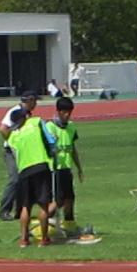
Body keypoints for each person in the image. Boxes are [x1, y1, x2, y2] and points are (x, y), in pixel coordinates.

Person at [47, 95, 98, 243]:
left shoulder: (71, 127)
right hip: (54, 170)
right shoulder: (50, 127)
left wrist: (79, 168)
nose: (67, 115)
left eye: (69, 112)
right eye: (64, 112)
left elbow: (73, 148)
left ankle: (69, 224)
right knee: (58, 200)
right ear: (58, 111)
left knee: (70, 198)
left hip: (66, 169)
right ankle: (42, 223)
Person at [8, 103, 57, 247]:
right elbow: (52, 140)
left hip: (24, 171)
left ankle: (24, 239)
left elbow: (15, 153)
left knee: (25, 206)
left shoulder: (13, 136)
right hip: (41, 165)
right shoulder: (37, 122)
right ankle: (44, 239)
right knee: (43, 205)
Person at [0, 93, 38, 221]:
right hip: (12, 151)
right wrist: (12, 142)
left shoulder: (27, 113)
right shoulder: (15, 112)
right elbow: (3, 129)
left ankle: (20, 210)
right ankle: (4, 210)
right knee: (15, 179)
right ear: (29, 101)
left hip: (23, 151)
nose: (36, 104)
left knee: (24, 180)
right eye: (35, 101)